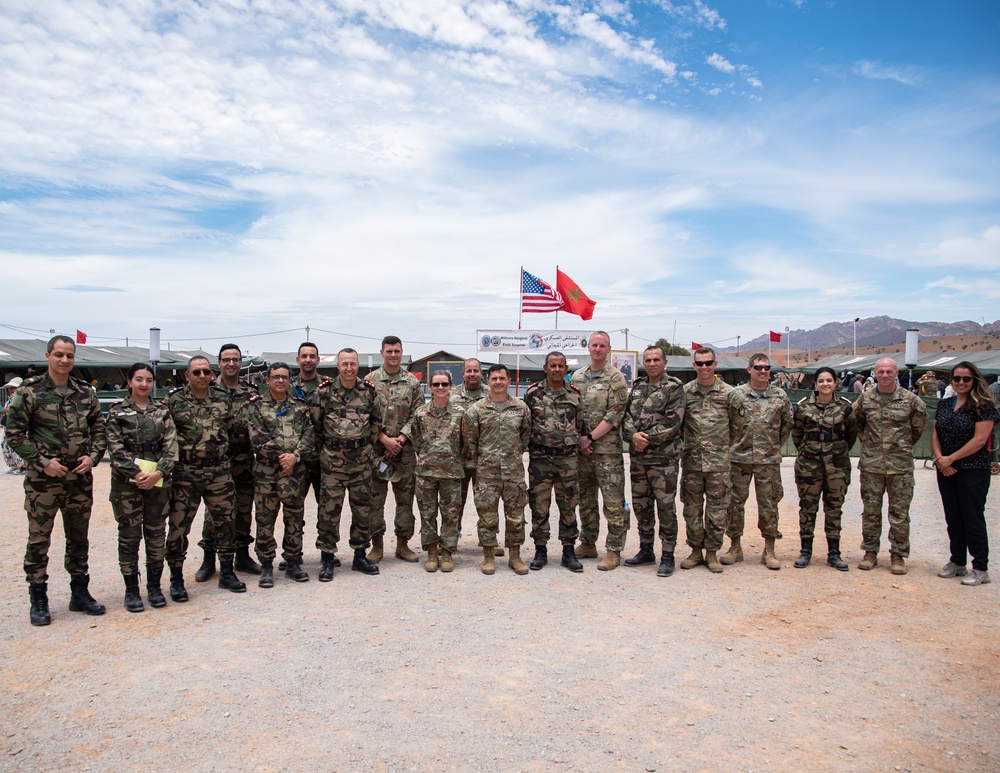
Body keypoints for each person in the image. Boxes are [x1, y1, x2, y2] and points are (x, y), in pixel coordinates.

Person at [5, 335, 107, 626]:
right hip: (43, 481)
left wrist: (93, 457)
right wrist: (41, 462)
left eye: (69, 356)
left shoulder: (85, 392)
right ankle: (38, 597)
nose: (64, 360)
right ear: (48, 356)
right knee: (39, 539)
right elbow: (14, 434)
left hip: (78, 478)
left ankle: (80, 593)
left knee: (79, 538)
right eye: (59, 355)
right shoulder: (30, 391)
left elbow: (99, 430)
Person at [165, 356, 246, 600]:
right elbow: (166, 435)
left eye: (206, 372)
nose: (202, 376)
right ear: (187, 375)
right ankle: (176, 578)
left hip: (219, 471)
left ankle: (227, 572)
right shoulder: (174, 401)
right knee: (179, 526)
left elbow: (232, 432)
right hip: (186, 473)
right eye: (196, 372)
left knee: (225, 522)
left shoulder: (222, 398)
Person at [105, 363, 179, 612]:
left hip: (158, 483)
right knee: (129, 536)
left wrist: (158, 472)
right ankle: (131, 590)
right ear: (129, 382)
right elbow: (115, 449)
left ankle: (155, 587)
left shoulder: (162, 411)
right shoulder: (117, 412)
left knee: (157, 535)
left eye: (148, 380)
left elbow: (172, 446)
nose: (144, 384)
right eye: (139, 379)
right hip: (128, 484)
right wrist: (138, 474)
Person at [853, 357, 928, 575]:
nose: (885, 375)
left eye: (889, 371)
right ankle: (870, 552)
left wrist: (899, 447)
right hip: (872, 466)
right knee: (870, 512)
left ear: (896, 373)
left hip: (900, 467)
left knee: (900, 514)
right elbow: (858, 425)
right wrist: (873, 447)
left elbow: (917, 429)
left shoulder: (910, 400)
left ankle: (898, 555)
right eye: (881, 371)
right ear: (875, 373)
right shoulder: (865, 400)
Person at [246, 362, 316, 587]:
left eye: (284, 377)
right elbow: (257, 438)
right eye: (275, 377)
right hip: (267, 473)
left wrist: (294, 457)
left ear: (290, 380)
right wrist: (281, 458)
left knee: (294, 518)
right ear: (267, 380)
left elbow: (309, 435)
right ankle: (266, 564)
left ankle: (293, 561)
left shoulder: (300, 406)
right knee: (265, 519)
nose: (280, 381)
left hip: (294, 472)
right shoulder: (256, 407)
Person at [314, 348, 381, 578]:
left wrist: (364, 447)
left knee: (362, 511)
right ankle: (327, 558)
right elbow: (316, 425)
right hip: (332, 463)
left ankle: (360, 556)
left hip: (360, 462)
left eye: (353, 363)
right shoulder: (324, 392)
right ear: (338, 366)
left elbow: (376, 422)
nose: (349, 368)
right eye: (345, 364)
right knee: (329, 512)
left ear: (358, 365)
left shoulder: (369, 392)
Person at [722, 353, 793, 570]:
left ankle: (769, 550)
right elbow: (727, 424)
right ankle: (735, 547)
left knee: (769, 505)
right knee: (734, 504)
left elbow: (786, 426)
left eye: (766, 368)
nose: (763, 371)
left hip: (768, 461)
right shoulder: (736, 395)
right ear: (749, 369)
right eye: (758, 367)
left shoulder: (780, 397)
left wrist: (770, 448)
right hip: (739, 459)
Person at [679, 348, 746, 573]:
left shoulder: (729, 394)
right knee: (692, 509)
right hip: (692, 463)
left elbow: (738, 427)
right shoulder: (685, 393)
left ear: (715, 365)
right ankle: (696, 550)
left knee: (717, 510)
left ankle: (712, 552)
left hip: (719, 464)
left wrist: (722, 448)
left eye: (708, 363)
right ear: (694, 365)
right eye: (700, 363)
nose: (704, 367)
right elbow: (679, 427)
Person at [197, 343, 261, 580]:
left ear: (241, 362)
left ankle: (242, 555)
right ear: (219, 363)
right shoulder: (209, 390)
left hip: (244, 458)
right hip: (217, 461)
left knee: (244, 509)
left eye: (235, 359)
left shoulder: (252, 392)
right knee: (215, 512)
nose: (231, 363)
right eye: (227, 360)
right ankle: (208, 560)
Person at [932, 362, 998, 586]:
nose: (961, 382)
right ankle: (957, 561)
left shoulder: (984, 406)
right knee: (953, 517)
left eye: (966, 379)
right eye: (957, 378)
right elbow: (935, 432)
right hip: (946, 469)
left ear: (974, 380)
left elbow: (980, 440)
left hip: (972, 469)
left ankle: (980, 567)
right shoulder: (945, 404)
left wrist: (951, 458)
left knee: (972, 517)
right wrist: (941, 459)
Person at [462, 364, 532, 575]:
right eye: (494, 378)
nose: (498, 382)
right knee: (487, 516)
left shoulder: (521, 408)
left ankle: (515, 556)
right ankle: (489, 556)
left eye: (502, 378)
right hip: (487, 474)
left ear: (509, 381)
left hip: (513, 472)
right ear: (488, 381)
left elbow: (525, 437)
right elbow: (470, 442)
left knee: (516, 516)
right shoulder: (476, 410)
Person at [622, 345, 686, 577]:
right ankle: (646, 548)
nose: (651, 364)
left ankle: (668, 554)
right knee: (641, 505)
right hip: (639, 460)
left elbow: (673, 422)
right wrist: (632, 435)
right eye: (648, 360)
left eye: (656, 360)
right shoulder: (638, 387)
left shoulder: (674, 388)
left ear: (664, 362)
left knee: (666, 508)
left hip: (663, 460)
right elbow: (626, 416)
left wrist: (644, 439)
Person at [570, 331, 629, 570]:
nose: (597, 349)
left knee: (613, 503)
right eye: (594, 345)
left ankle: (614, 550)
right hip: (583, 453)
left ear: (608, 349)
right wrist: (579, 440)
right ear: (589, 347)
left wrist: (590, 438)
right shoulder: (577, 376)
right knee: (586, 500)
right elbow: (571, 409)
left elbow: (615, 415)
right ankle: (588, 542)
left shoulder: (616, 378)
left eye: (602, 345)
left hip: (606, 452)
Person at [524, 352, 587, 573]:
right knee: (539, 505)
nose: (557, 369)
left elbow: (579, 425)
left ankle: (568, 551)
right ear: (545, 367)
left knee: (569, 504)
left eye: (561, 366)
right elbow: (526, 424)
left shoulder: (575, 395)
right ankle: (540, 550)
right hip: (540, 459)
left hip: (567, 459)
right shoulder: (533, 394)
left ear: (566, 369)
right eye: (553, 365)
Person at [791, 366, 857, 571]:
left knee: (834, 508)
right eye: (821, 381)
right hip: (809, 467)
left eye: (829, 380)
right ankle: (805, 552)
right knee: (808, 508)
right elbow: (797, 435)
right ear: (816, 384)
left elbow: (851, 436)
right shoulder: (803, 407)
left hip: (837, 466)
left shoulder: (845, 408)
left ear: (835, 383)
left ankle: (834, 554)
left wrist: (834, 452)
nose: (825, 384)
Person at [367, 336, 424, 563]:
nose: (393, 355)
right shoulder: (370, 381)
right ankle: (377, 545)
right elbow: (365, 414)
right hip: (377, 450)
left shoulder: (411, 382)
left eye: (397, 351)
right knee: (375, 500)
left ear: (402, 353)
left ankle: (403, 544)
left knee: (405, 500)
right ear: (381, 352)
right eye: (389, 351)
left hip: (404, 452)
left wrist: (399, 440)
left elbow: (418, 414)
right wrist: (383, 439)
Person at [409, 370, 465, 572]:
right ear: (430, 387)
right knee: (427, 513)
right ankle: (432, 551)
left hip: (452, 472)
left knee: (451, 514)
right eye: (436, 384)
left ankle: (448, 551)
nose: (440, 388)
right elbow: (416, 440)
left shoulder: (460, 413)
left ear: (450, 386)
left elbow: (466, 442)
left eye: (444, 384)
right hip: (426, 472)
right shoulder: (421, 413)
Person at [449, 358, 488, 537]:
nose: (472, 374)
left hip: (484, 459)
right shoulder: (452, 395)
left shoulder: (491, 393)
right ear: (463, 373)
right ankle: (452, 539)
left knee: (486, 502)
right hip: (458, 459)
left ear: (481, 373)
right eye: (469, 371)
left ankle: (488, 539)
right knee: (455, 502)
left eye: (476, 371)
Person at [2, 376, 27, 474]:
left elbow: (20, 409)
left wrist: (6, 410)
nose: (10, 390)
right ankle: (13, 464)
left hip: (18, 424)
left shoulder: (22, 397)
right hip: (8, 424)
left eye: (12, 387)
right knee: (5, 444)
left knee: (17, 444)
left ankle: (22, 466)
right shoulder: (10, 398)